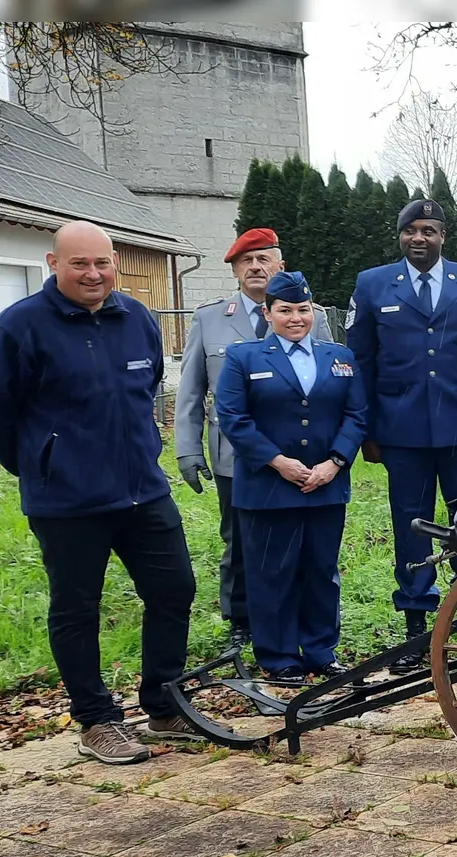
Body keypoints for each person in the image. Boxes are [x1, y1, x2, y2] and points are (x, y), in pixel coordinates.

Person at [0, 220, 200, 764]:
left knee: (174, 590)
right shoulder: (19, 328)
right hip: (66, 500)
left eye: (103, 263)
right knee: (77, 608)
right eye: (79, 264)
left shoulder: (137, 318)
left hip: (142, 488)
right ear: (53, 265)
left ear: (115, 263)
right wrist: (37, 463)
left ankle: (163, 705)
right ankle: (96, 720)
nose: (93, 274)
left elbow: (145, 389)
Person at [346, 198, 457, 674]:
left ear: (442, 236)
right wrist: (367, 431)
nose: (419, 238)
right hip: (402, 430)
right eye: (410, 230)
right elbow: (360, 362)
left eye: (429, 230)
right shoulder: (372, 285)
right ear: (400, 236)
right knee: (409, 526)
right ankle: (416, 624)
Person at [175, 227, 331, 652]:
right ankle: (241, 619)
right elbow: (190, 390)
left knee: (305, 540)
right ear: (234, 270)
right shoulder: (211, 318)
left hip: (305, 457)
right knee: (240, 540)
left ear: (281, 265)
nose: (255, 267)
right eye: (246, 261)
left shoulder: (308, 314)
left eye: (264, 258)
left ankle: (299, 619)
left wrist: (334, 455)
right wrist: (187, 448)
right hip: (236, 454)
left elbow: (333, 387)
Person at [214, 272, 366, 683]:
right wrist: (278, 462)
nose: (295, 318)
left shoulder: (339, 358)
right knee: (272, 573)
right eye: (285, 310)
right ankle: (279, 656)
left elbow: (356, 415)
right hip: (268, 487)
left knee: (321, 570)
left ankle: (320, 651)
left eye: (302, 310)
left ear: (313, 311)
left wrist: (334, 463)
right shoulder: (243, 358)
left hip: (325, 484)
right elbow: (233, 417)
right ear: (268, 313)